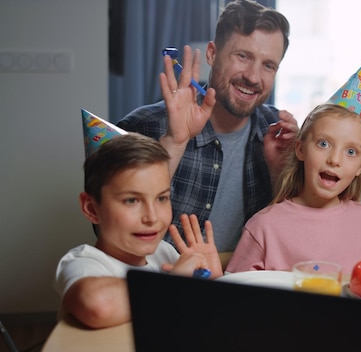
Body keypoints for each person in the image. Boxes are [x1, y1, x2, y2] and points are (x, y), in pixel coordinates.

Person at [117, 0, 298, 253]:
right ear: (212, 54)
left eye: (268, 65)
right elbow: (112, 230)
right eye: (243, 56)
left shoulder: (279, 133)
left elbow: (295, 239)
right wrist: (175, 142)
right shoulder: (142, 126)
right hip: (163, 283)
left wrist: (282, 172)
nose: (254, 77)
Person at [54, 133, 223, 329]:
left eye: (161, 198)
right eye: (131, 200)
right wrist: (173, 282)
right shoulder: (84, 262)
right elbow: (99, 306)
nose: (151, 217)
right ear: (92, 208)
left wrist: (213, 285)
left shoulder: (164, 252)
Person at [226, 103, 361, 276]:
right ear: (300, 149)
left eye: (350, 151)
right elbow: (237, 295)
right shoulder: (263, 227)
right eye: (324, 143)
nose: (334, 160)